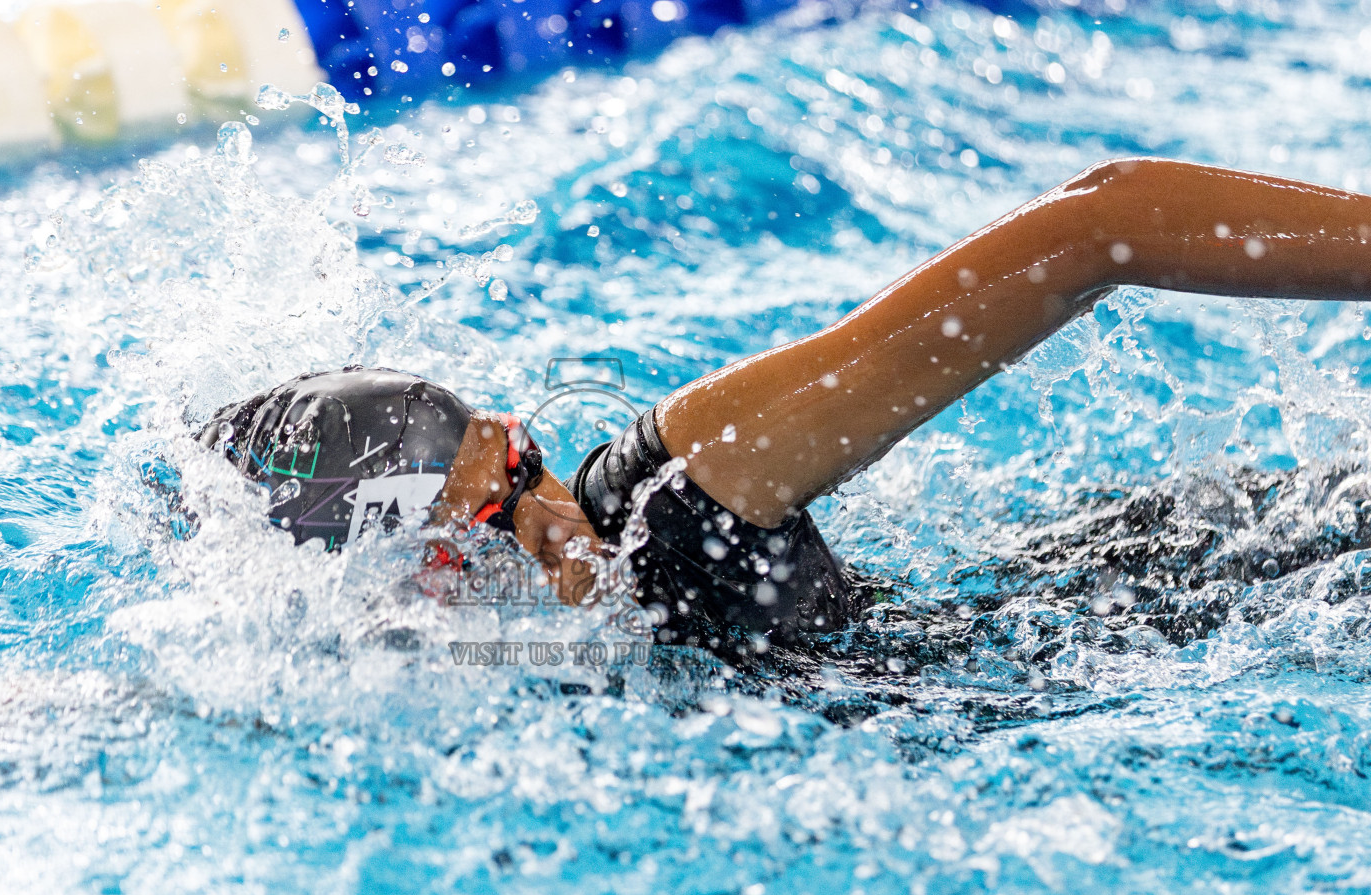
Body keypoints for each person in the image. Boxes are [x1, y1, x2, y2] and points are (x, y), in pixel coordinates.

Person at [201, 158, 1371, 661]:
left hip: (1251, 586)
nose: (532, 543)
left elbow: (1097, 225)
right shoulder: (521, 663)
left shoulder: (683, 492)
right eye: (463, 542)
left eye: (517, 485)